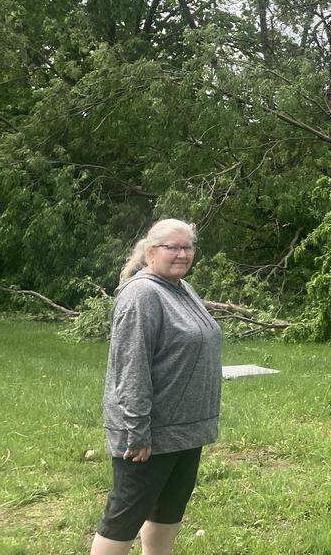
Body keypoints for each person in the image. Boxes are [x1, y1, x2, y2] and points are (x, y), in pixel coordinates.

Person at [90, 219, 222, 555]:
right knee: (124, 516)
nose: (182, 254)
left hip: (184, 429)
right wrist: (137, 430)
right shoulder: (142, 294)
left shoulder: (181, 287)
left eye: (188, 247)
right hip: (150, 432)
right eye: (173, 247)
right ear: (151, 252)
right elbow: (130, 367)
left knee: (169, 510)